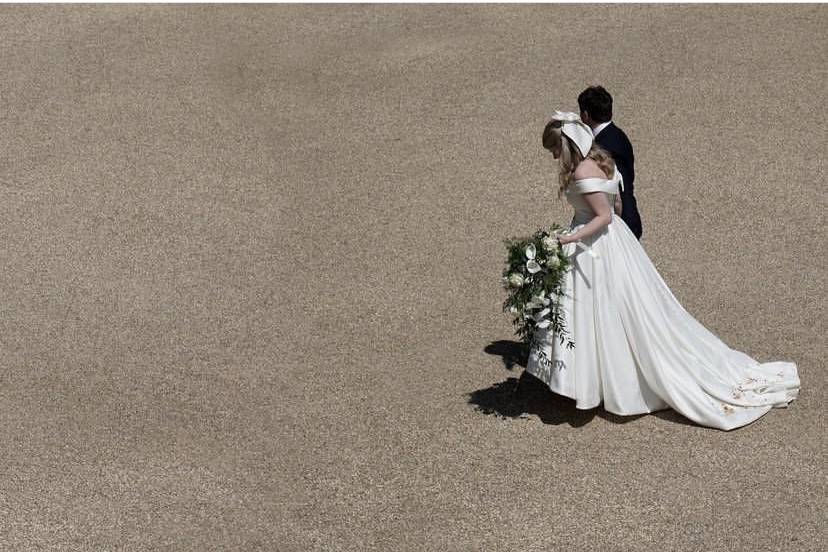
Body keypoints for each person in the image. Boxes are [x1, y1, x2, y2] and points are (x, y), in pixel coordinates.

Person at [528, 111, 799, 431]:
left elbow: (604, 217)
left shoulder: (583, 172)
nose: (555, 156)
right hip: (617, 245)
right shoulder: (603, 163)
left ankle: (596, 381)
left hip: (594, 247)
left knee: (597, 310)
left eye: (555, 150)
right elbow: (617, 206)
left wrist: (571, 236)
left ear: (566, 145)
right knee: (621, 309)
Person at [578, 86, 643, 239]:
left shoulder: (605, 146)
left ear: (585, 115)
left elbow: (618, 187)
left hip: (621, 221)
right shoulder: (616, 135)